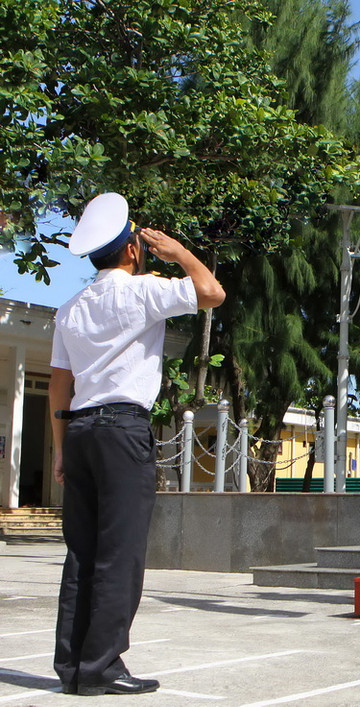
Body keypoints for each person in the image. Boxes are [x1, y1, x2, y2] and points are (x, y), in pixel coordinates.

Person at [48, 193, 225, 695]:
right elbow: (211, 292)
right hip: (123, 429)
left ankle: (73, 667)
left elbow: (59, 385)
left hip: (79, 431)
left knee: (81, 552)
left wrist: (60, 447)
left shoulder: (70, 308)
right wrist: (179, 253)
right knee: (119, 554)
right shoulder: (144, 291)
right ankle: (101, 667)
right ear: (132, 249)